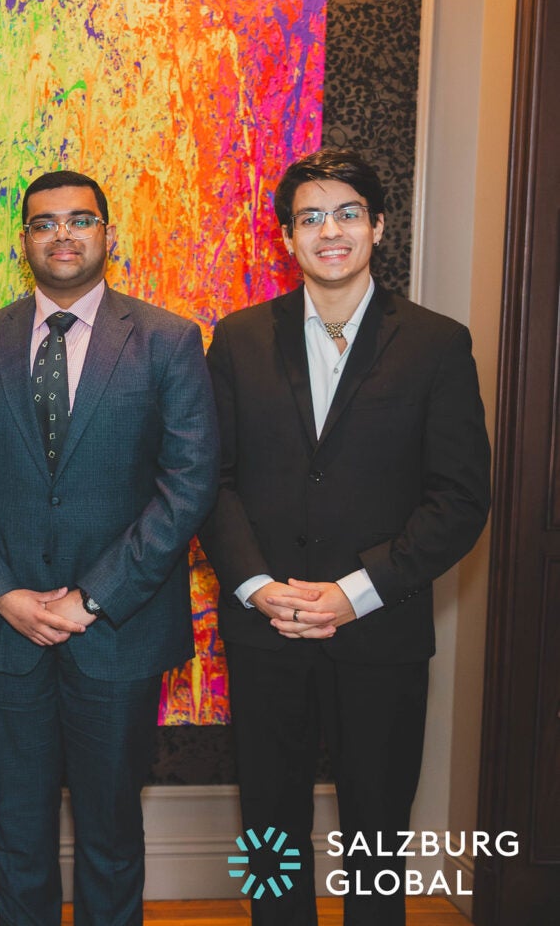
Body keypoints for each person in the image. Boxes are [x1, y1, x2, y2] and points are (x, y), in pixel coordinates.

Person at [198, 148, 490, 926]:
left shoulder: (436, 343)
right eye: (311, 217)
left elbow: (460, 498)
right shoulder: (235, 340)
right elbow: (211, 482)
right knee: (268, 835)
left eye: (348, 213)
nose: (331, 231)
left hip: (382, 634)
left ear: (379, 226)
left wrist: (354, 592)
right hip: (267, 631)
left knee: (376, 839)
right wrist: (261, 588)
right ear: (287, 239)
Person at [0, 169, 218, 926]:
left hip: (119, 632)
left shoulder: (167, 340)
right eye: (44, 222)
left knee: (111, 834)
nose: (62, 234)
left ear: (108, 234)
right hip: (5, 634)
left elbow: (188, 484)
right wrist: (3, 593)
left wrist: (92, 598)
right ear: (23, 240)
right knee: (18, 835)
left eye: (80, 220)